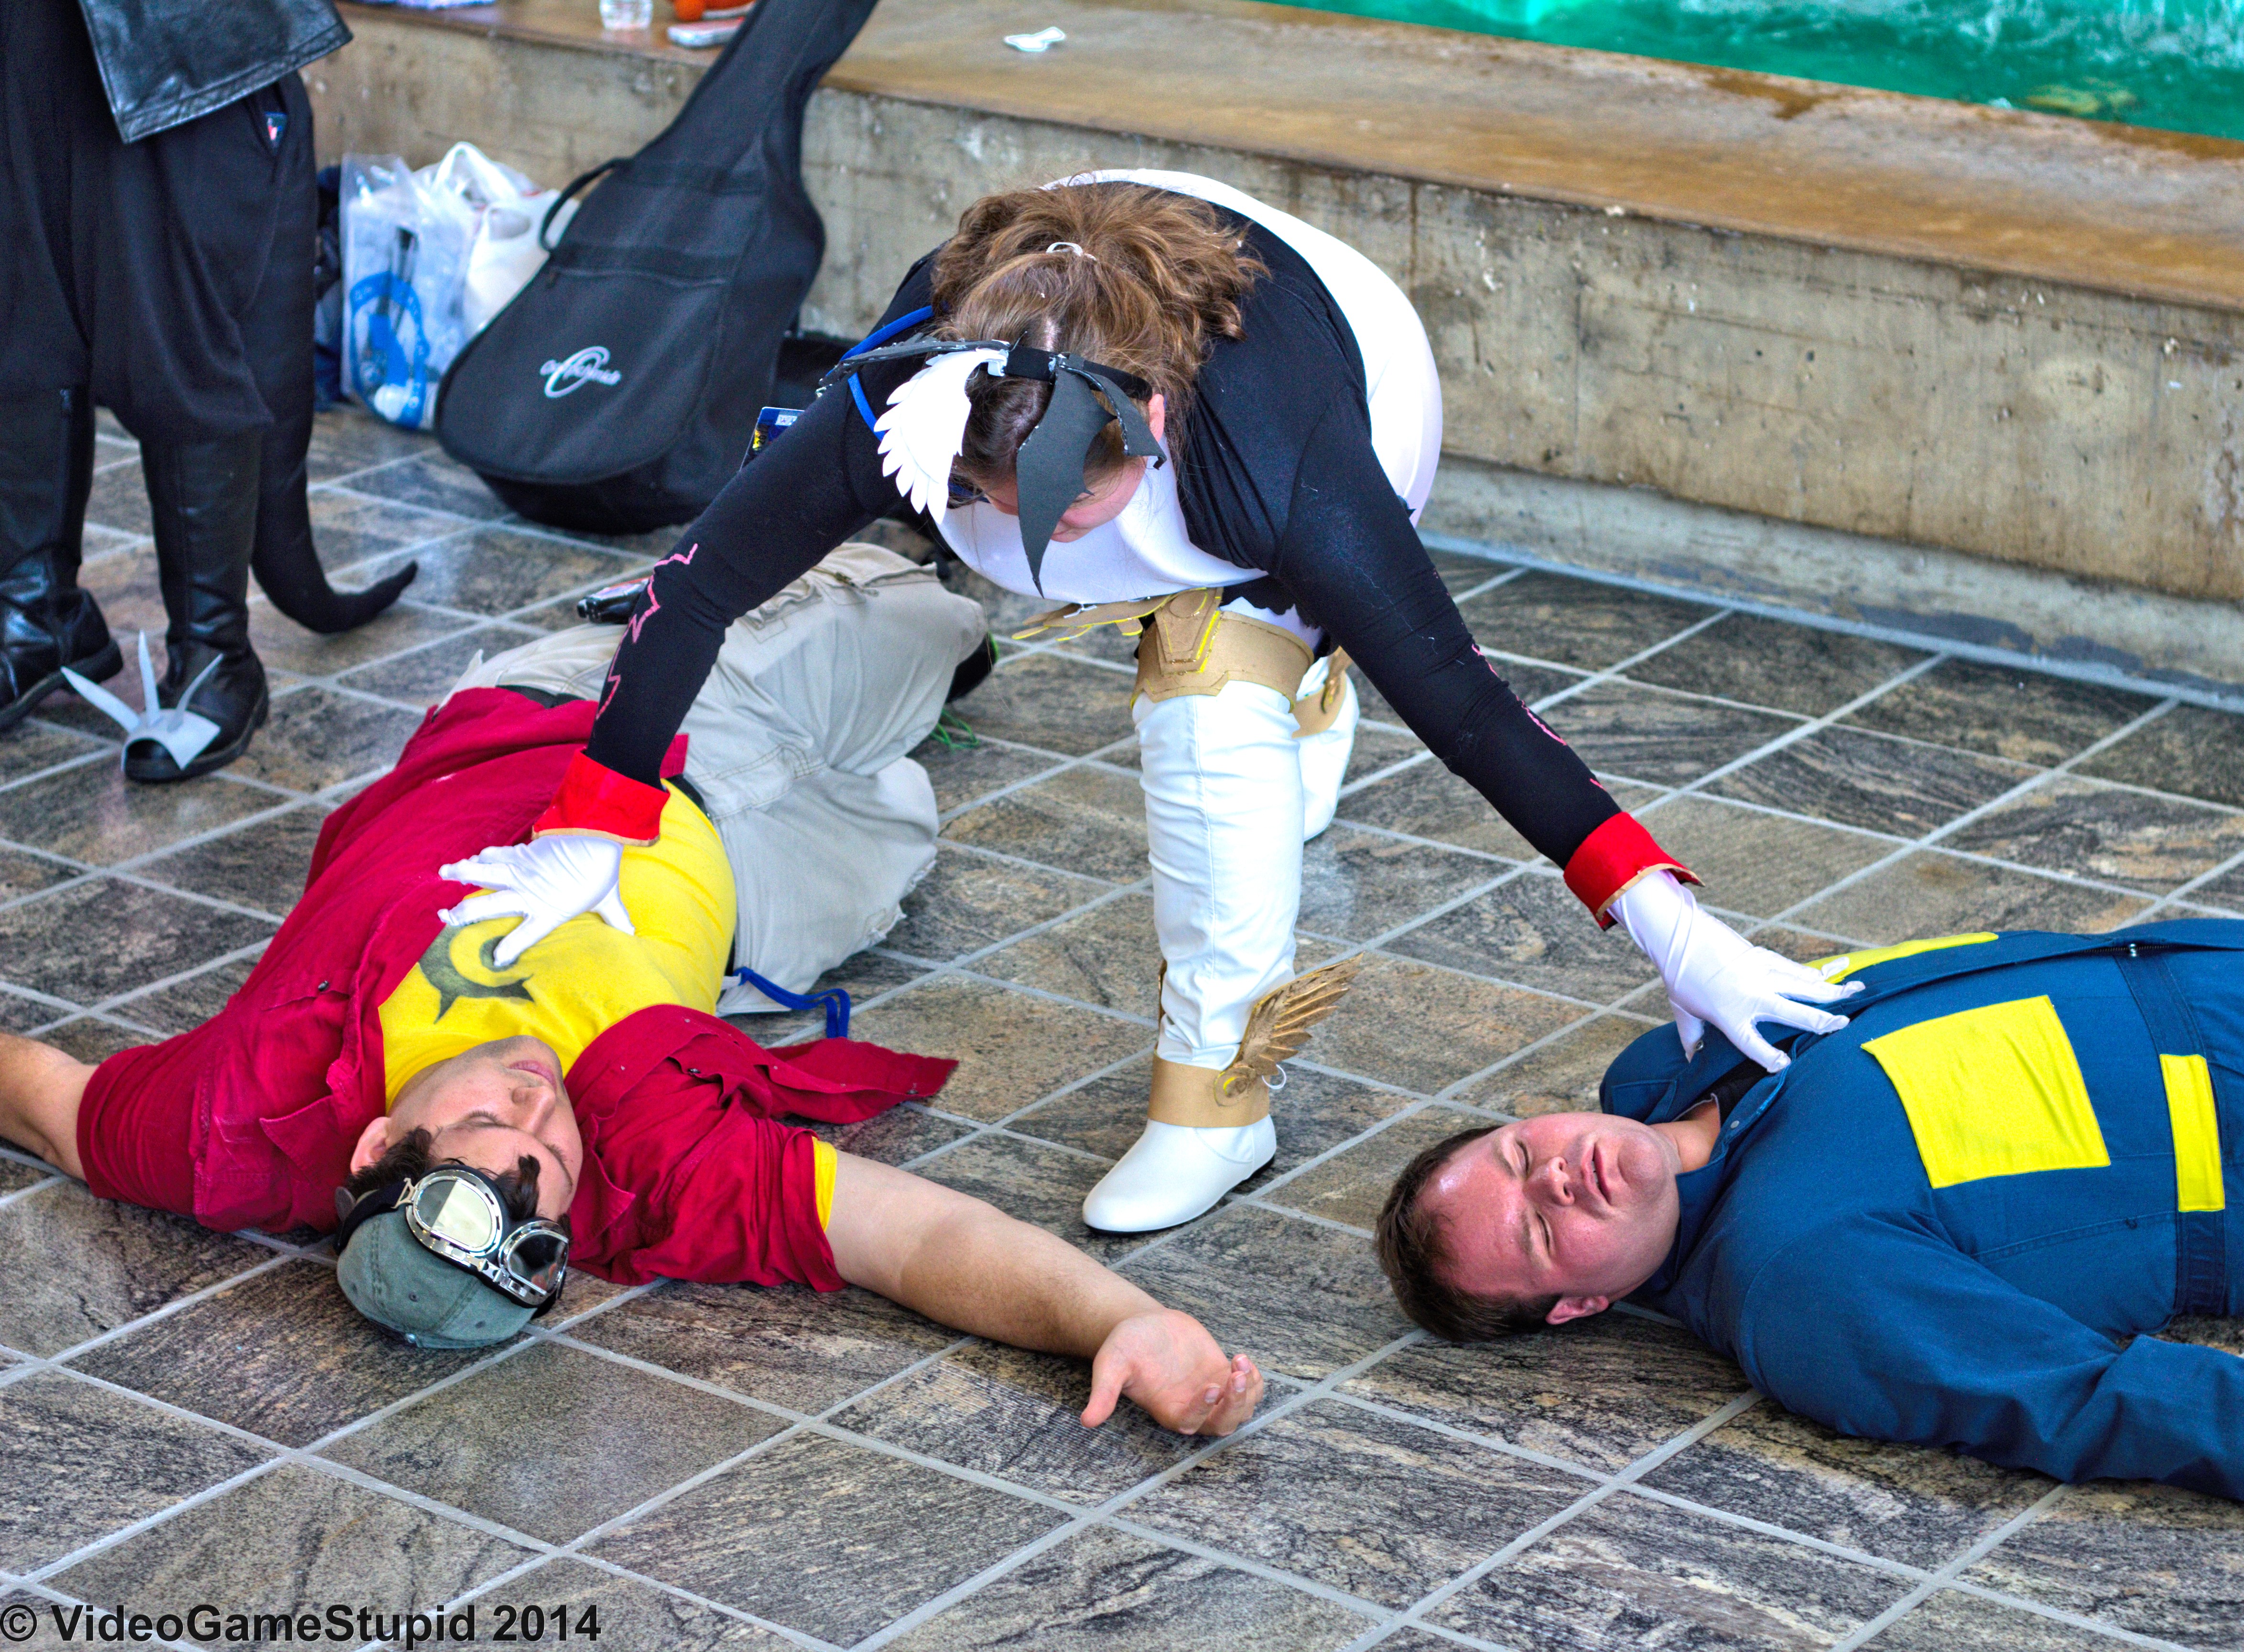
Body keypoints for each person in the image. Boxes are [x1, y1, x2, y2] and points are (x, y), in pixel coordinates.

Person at [430, 168, 1859, 1237]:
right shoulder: (905, 403)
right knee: (1138, 635)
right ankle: (1297, 696)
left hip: (1351, 378)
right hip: (1093, 375)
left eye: (1066, 502)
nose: (1032, 538)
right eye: (987, 503)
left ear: (1153, 428)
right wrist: (590, 819)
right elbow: (699, 582)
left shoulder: (1281, 469)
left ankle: (1216, 1104)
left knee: (1204, 702)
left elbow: (1479, 714)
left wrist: (1680, 935)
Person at [0, 546, 1261, 1435]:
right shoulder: (651, 1172)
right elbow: (913, 1238)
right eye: (552, 1158)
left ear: (380, 1141)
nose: (542, 1110)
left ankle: (701, 591)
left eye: (494, 1122)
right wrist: (1117, 1320)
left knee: (939, 620)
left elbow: (45, 1102)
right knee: (897, 827)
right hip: (745, 869)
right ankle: (858, 720)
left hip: (591, 716)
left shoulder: (233, 1121)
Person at [1374, 921, 2244, 1508]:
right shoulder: (1800, 1285)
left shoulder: (1674, 1056)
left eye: (1520, 1157)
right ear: (1580, 1305)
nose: (1557, 1181)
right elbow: (2091, 1405)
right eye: (1537, 1233)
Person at [0, 0, 414, 777]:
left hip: (179, 41)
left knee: (177, 329)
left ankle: (214, 655)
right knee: (22, 316)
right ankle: (35, 616)